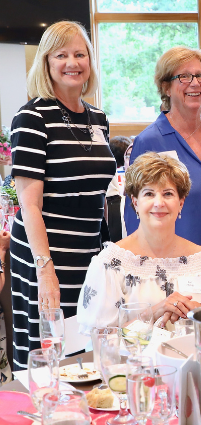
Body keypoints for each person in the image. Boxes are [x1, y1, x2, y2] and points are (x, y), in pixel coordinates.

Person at [8, 22, 114, 367]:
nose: (72, 62)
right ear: (46, 62)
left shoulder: (98, 118)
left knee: (88, 348)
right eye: (61, 55)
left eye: (80, 54)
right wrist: (45, 271)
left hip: (88, 256)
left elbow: (99, 194)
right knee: (48, 353)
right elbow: (29, 205)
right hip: (46, 256)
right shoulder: (32, 117)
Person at [77, 153, 201, 332]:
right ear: (135, 202)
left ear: (181, 203)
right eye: (149, 194)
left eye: (168, 194)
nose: (159, 203)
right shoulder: (110, 264)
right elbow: (99, 338)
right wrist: (154, 312)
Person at [125, 46, 201, 277]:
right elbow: (135, 215)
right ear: (166, 87)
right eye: (184, 76)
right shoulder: (149, 141)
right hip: (170, 270)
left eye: (200, 76)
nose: (195, 83)